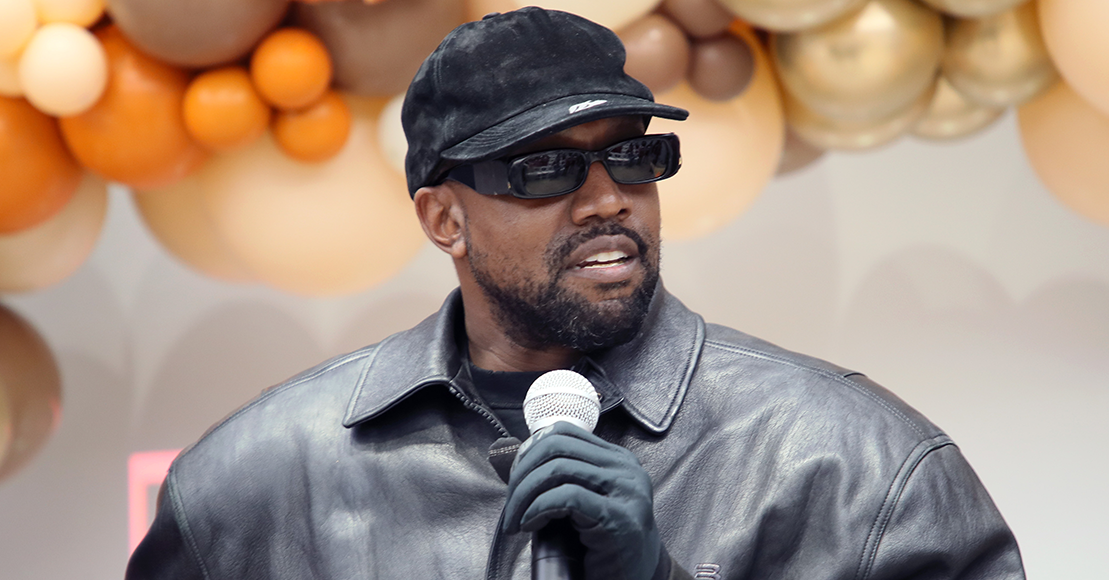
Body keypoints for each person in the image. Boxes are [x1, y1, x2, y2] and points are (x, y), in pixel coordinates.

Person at [126, 8, 1024, 580]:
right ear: (444, 219)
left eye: (634, 156)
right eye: (545, 169)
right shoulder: (253, 486)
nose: (607, 200)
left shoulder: (856, 466)